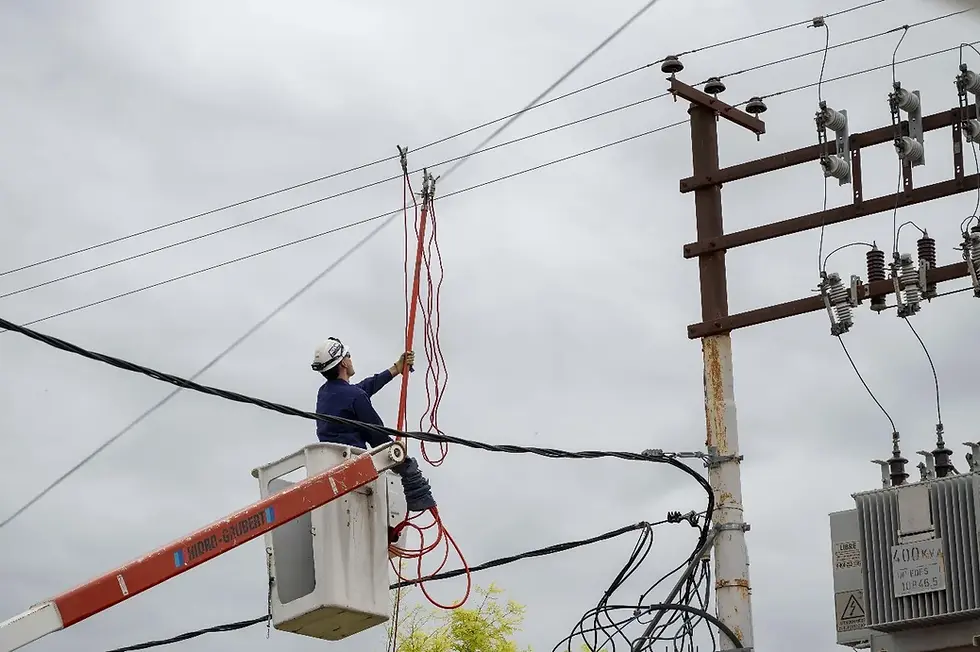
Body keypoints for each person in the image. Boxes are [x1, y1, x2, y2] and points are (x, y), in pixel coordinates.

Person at [311, 336, 436, 513]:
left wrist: (395, 369)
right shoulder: (354, 396)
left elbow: (360, 390)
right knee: (406, 467)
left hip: (332, 468)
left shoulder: (325, 393)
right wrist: (401, 459)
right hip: (355, 469)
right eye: (348, 355)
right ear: (344, 364)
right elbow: (377, 437)